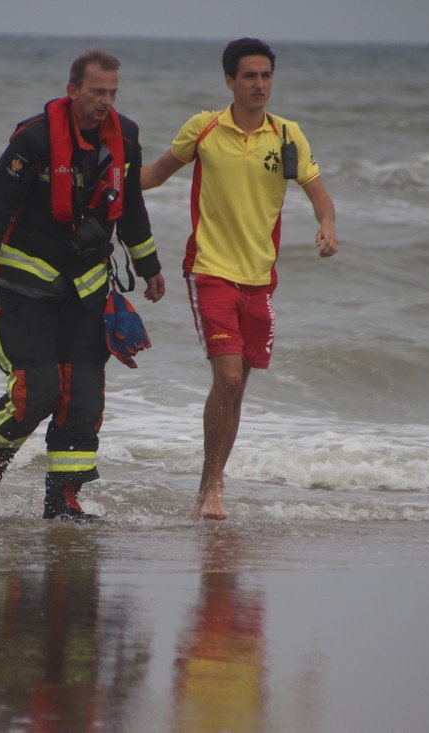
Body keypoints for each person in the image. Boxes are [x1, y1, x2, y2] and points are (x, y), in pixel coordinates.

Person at [141, 37, 339, 521]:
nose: (259, 84)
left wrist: (327, 225)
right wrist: (104, 176)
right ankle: (211, 485)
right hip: (209, 269)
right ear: (229, 80)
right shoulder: (204, 127)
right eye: (249, 76)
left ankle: (213, 482)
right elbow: (154, 175)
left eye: (266, 75)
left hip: (259, 278)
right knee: (227, 377)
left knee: (238, 389)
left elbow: (319, 195)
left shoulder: (288, 135)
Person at [0, 49, 165, 520]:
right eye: (97, 91)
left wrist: (150, 266)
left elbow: (131, 207)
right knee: (37, 392)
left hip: (88, 291)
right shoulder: (32, 139)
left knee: (83, 397)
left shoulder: (125, 137)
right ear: (73, 90)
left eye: (112, 92)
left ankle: (64, 502)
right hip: (23, 292)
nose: (105, 102)